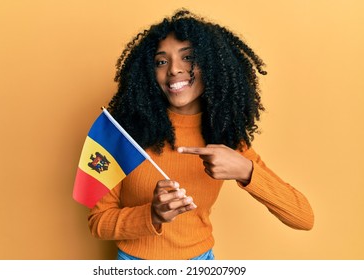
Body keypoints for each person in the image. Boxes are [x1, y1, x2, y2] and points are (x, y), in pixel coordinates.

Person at [88, 9, 314, 260]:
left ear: (212, 64)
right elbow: (98, 221)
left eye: (188, 58)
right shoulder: (120, 134)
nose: (174, 69)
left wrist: (246, 171)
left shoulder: (224, 137)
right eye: (161, 61)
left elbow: (303, 217)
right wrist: (152, 214)